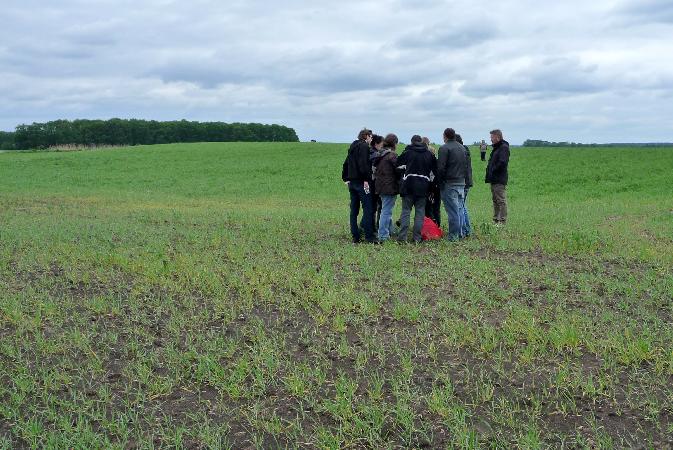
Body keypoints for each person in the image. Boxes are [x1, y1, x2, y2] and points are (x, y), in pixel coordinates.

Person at [396, 135, 437, 243]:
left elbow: (397, 164)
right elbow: (435, 171)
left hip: (408, 186)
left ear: (412, 142)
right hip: (423, 187)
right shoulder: (429, 154)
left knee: (406, 211)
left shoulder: (408, 152)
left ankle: (402, 237)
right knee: (420, 212)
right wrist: (432, 188)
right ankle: (417, 238)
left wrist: (403, 174)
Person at [341, 128, 376, 243]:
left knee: (354, 210)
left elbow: (346, 163)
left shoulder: (353, 146)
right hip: (363, 183)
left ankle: (355, 236)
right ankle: (369, 236)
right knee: (368, 209)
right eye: (371, 137)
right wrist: (367, 179)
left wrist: (345, 178)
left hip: (352, 183)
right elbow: (364, 165)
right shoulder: (364, 147)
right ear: (366, 136)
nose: (372, 139)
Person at [437, 128, 467, 241]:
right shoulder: (462, 148)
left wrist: (441, 182)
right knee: (459, 209)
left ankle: (453, 236)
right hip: (461, 182)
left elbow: (441, 168)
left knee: (452, 211)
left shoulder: (444, 148)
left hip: (450, 183)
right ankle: (460, 233)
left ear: (445, 136)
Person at [374, 133, 399, 241]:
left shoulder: (380, 154)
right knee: (386, 211)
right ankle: (383, 235)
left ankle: (389, 230)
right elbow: (398, 170)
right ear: (394, 143)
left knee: (385, 209)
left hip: (379, 186)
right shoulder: (392, 155)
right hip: (389, 187)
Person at [485, 129, 510, 225]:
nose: (491, 139)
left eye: (492, 137)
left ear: (497, 137)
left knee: (501, 200)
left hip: (499, 178)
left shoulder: (503, 147)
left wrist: (493, 170)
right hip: (494, 178)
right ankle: (496, 219)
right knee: (495, 200)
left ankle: (502, 221)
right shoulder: (497, 147)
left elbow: (502, 162)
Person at [456, 134, 473, 237]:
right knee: (463, 206)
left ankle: (464, 230)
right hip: (467, 181)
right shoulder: (465, 150)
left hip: (463, 182)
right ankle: (466, 229)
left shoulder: (461, 152)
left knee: (461, 207)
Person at [422, 137, 441, 226]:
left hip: (429, 188)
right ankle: (437, 226)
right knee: (436, 208)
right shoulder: (437, 162)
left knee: (428, 209)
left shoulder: (427, 162)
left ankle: (429, 227)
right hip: (436, 188)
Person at [368, 135, 384, 234]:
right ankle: (376, 227)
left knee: (371, 207)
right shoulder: (376, 155)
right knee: (378, 207)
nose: (382, 146)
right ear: (376, 144)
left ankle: (369, 226)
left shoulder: (367, 152)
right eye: (381, 143)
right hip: (375, 183)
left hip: (368, 183)